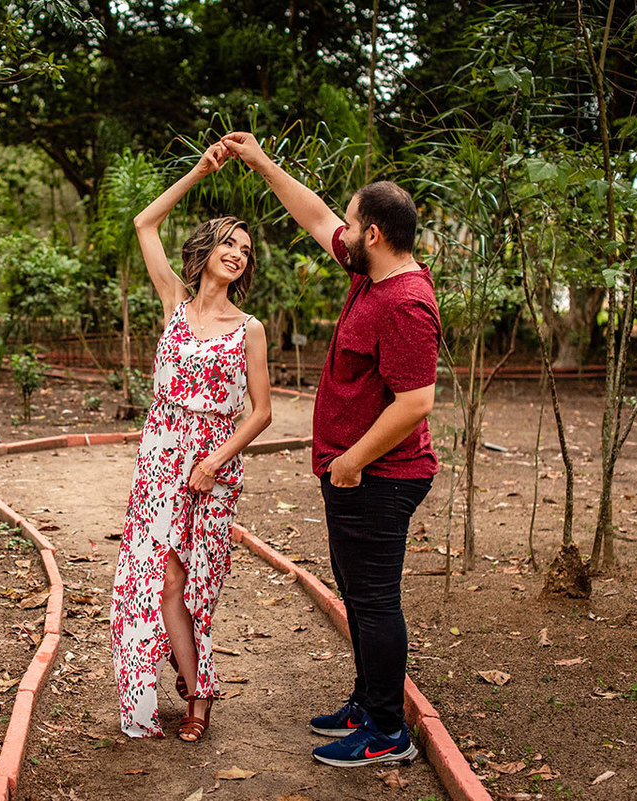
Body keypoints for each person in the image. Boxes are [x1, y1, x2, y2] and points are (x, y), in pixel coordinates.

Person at [221, 131, 440, 767]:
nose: (339, 228)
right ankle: (368, 699)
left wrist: (353, 461)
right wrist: (262, 163)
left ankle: (385, 730)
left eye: (351, 220)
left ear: (372, 232)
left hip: (380, 476)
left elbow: (416, 402)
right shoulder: (371, 272)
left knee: (372, 600)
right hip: (355, 475)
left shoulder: (404, 303)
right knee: (356, 589)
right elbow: (313, 214)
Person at [110, 142, 273, 742]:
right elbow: (144, 222)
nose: (237, 254)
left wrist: (214, 461)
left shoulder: (249, 329)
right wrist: (198, 171)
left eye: (246, 250)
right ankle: (198, 689)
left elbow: (261, 412)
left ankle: (195, 681)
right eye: (229, 243)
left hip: (212, 462)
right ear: (206, 252)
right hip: (159, 454)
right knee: (160, 577)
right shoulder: (174, 304)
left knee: (196, 580)